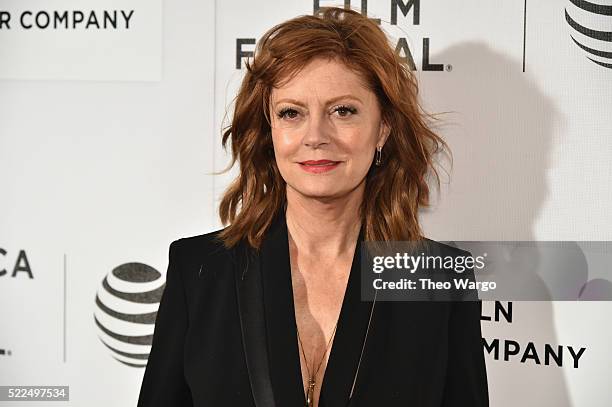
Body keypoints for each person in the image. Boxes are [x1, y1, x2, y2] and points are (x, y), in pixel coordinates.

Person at [137, 6, 488, 407]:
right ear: (270, 130)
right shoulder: (199, 269)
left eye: (343, 111)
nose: (316, 136)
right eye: (291, 113)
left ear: (383, 129)